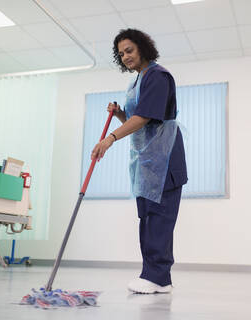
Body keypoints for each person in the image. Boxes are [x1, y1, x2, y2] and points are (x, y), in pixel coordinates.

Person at [91, 28, 188, 294]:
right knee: (147, 218)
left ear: (143, 48)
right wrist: (122, 114)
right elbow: (139, 121)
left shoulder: (157, 76)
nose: (125, 56)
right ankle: (157, 277)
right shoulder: (137, 81)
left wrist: (110, 138)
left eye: (129, 50)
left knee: (159, 219)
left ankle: (157, 277)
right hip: (147, 162)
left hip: (164, 160)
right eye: (121, 53)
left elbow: (145, 117)